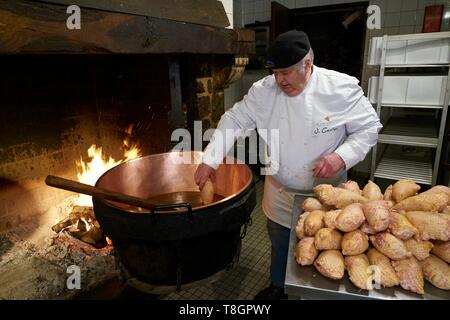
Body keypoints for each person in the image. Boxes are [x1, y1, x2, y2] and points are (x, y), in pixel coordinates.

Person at [194, 30, 382, 300]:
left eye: (286, 73)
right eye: (275, 72)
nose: (279, 80)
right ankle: (278, 287)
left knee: (326, 249)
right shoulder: (264, 92)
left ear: (308, 65)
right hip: (280, 190)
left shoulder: (340, 88)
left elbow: (368, 129)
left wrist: (341, 156)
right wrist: (209, 160)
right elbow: (235, 121)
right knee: (280, 241)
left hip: (325, 194)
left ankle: (316, 294)